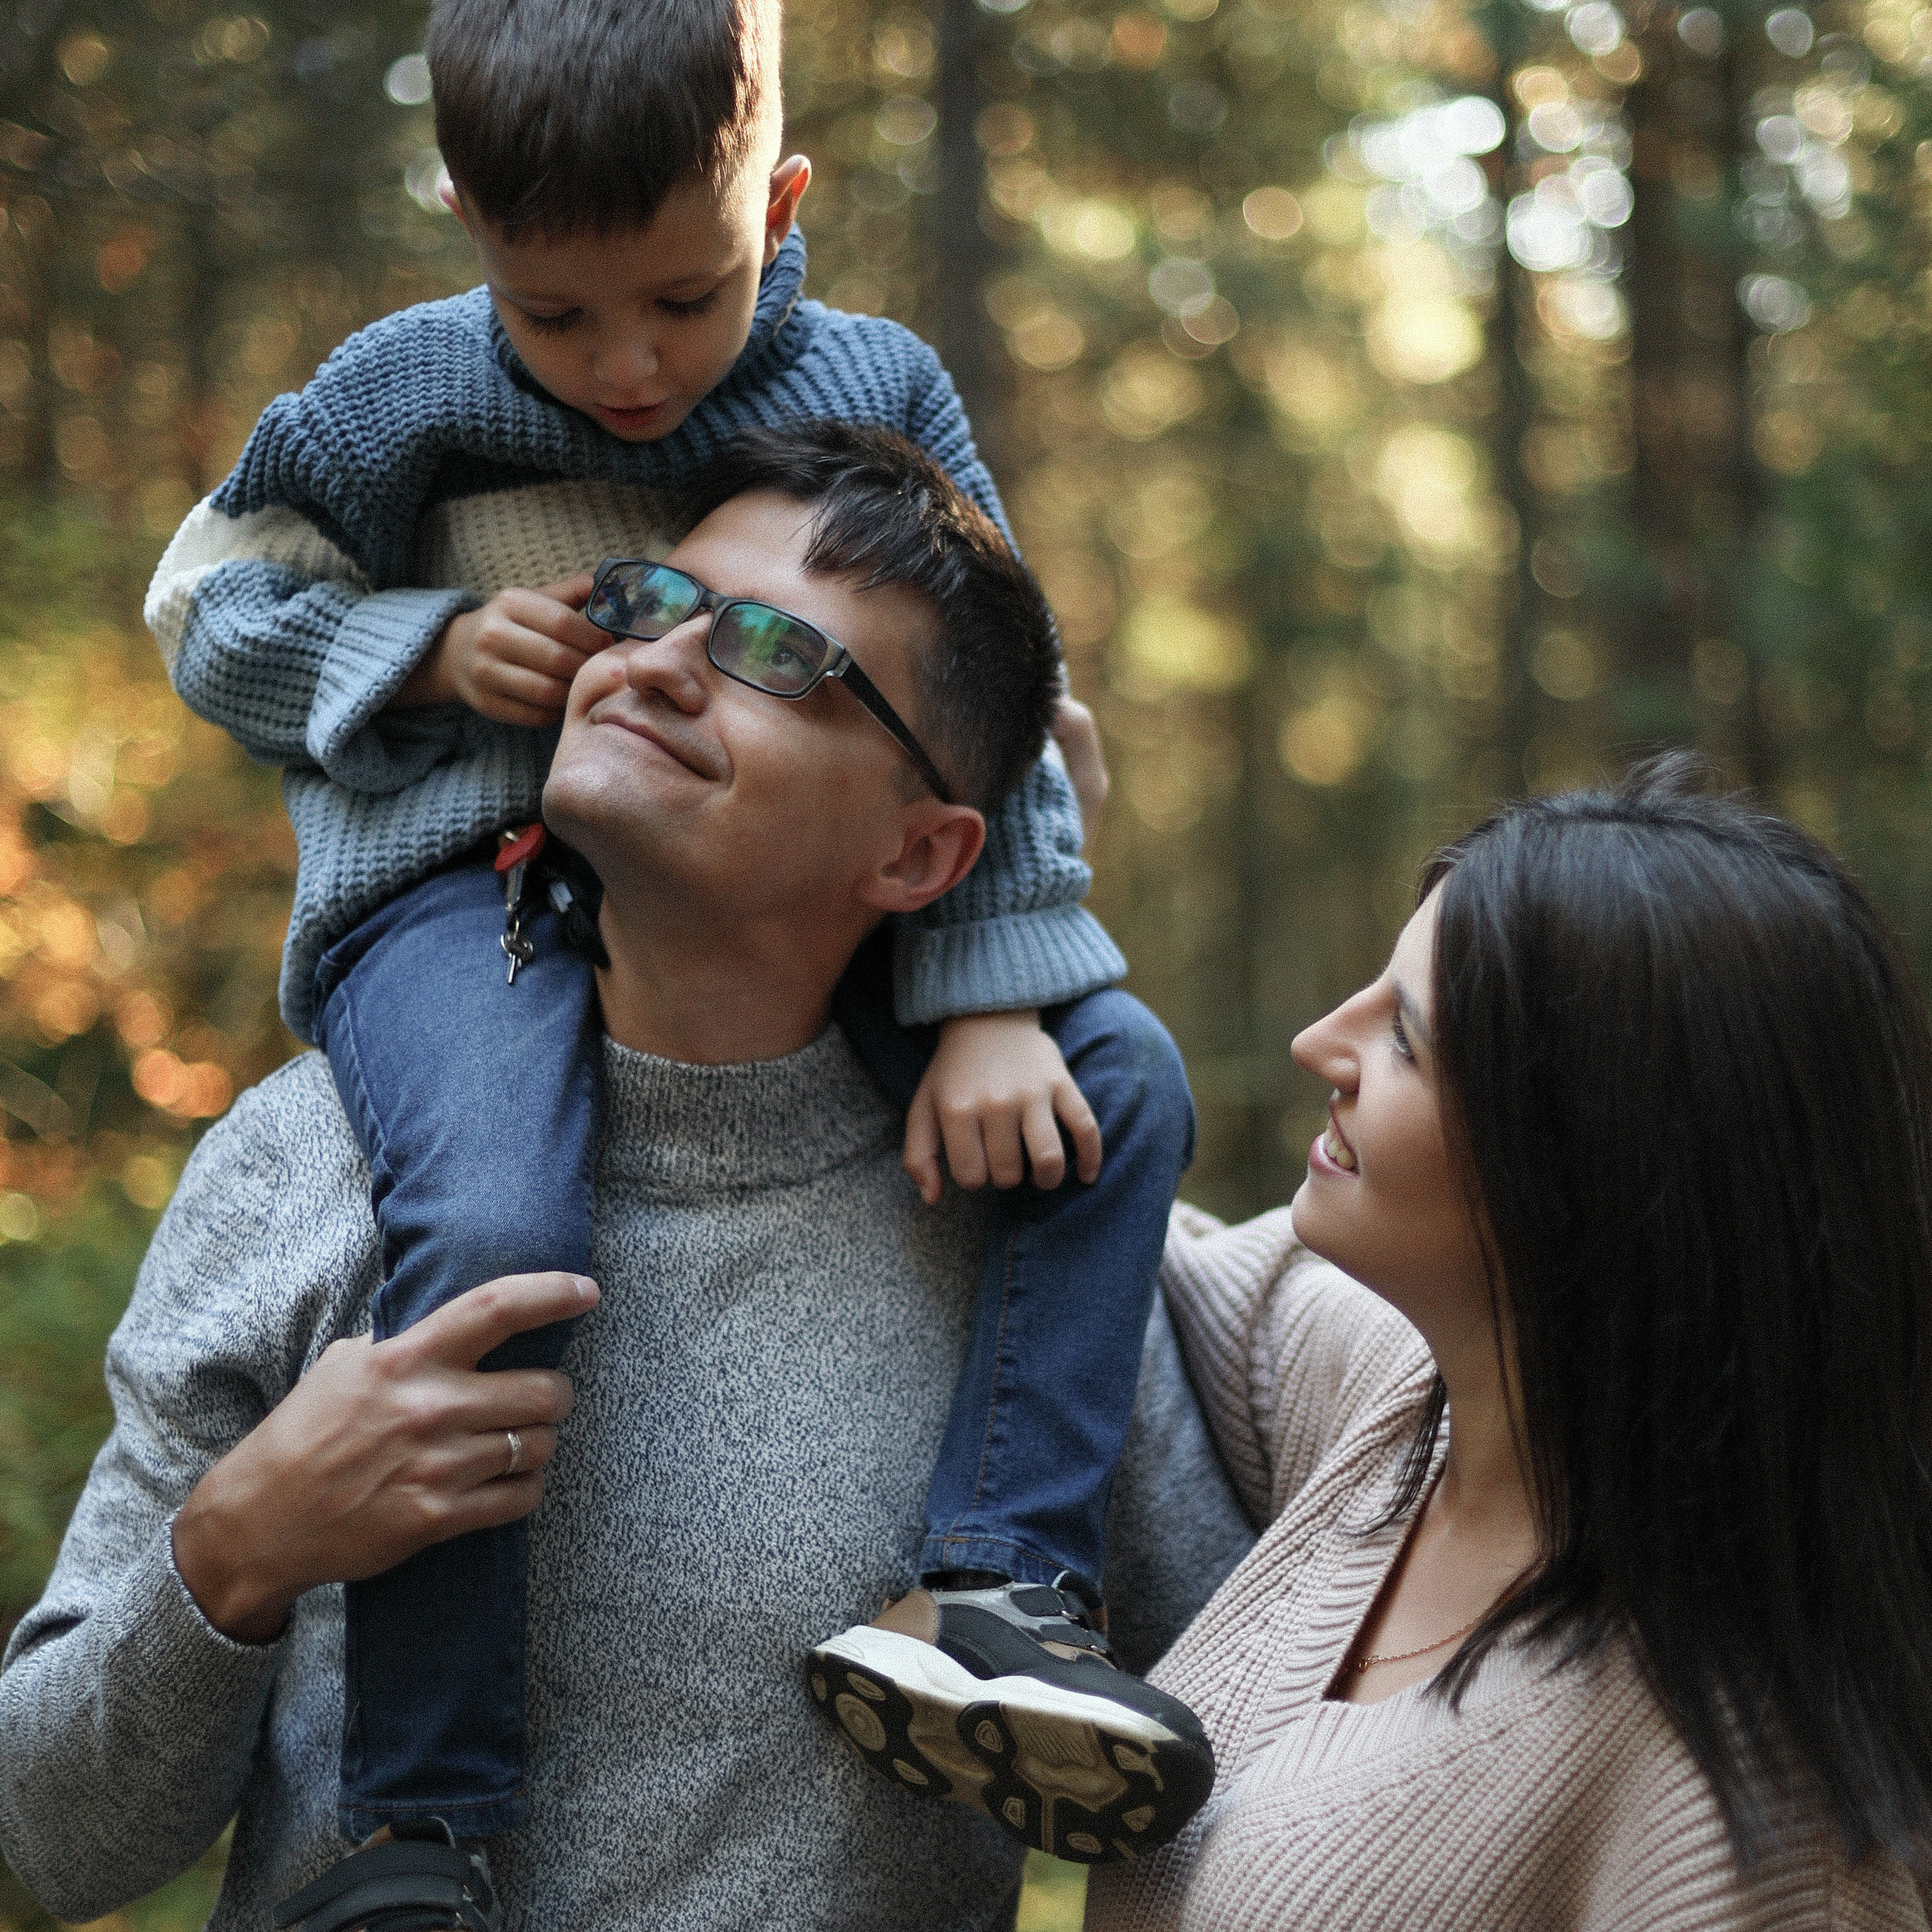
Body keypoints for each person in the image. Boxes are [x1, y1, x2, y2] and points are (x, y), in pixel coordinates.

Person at [139, 0, 1201, 1882]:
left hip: (779, 904)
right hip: (458, 898)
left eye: (687, 300)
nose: (629, 365)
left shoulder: (875, 378)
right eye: (558, 316)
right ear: (466, 219)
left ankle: (999, 1585)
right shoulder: (395, 392)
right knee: (490, 1227)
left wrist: (995, 985)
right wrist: (415, 647)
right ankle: (423, 1814)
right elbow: (210, 608)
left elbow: (997, 694)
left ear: (780, 200)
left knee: (1118, 1073)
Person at [0, 426, 1253, 1932]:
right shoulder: (309, 1152)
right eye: (655, 601)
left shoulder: (1033, 1222)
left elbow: (1252, 1727)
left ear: (922, 853)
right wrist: (240, 1542)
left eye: (779, 654)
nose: (655, 663)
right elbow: (54, 1838)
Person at [1088, 755, 1932, 1930]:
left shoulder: (1753, 1815)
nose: (1317, 1043)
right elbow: (1126, 1244)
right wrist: (1020, 876)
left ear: (1592, 1158)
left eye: (1406, 1042)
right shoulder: (1399, 1406)